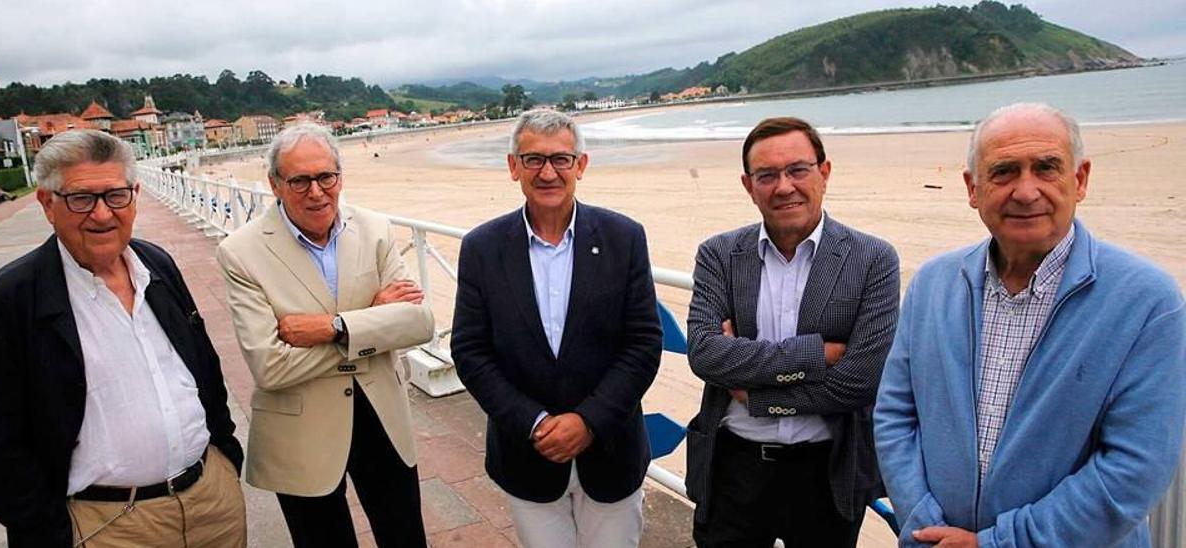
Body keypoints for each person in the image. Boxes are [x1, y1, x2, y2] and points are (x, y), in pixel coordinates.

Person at [874, 103, 1186, 547]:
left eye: (1046, 168)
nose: (1026, 191)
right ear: (973, 188)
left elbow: (1135, 469)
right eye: (1004, 171)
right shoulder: (932, 285)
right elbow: (895, 416)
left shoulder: (1147, 301)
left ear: (1079, 180)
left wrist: (997, 544)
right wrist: (923, 523)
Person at [0, 129, 246, 547]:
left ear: (134, 194)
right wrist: (47, 526)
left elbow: (203, 366)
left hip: (210, 503)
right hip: (104, 525)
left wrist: (225, 456)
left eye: (115, 195)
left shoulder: (157, 266)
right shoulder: (12, 300)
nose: (101, 214)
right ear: (47, 203)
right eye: (81, 198)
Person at [684, 116, 901, 547]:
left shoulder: (873, 259)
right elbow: (705, 354)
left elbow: (859, 382)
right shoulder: (719, 255)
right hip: (733, 468)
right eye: (767, 175)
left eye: (797, 170)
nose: (784, 186)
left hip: (827, 471)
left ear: (824, 172)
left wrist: (756, 395)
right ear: (749, 186)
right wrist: (818, 354)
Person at [451, 109, 662, 548]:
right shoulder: (482, 248)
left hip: (611, 452)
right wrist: (534, 423)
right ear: (513, 167)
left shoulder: (625, 238)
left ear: (581, 165)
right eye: (533, 159)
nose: (548, 172)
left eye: (561, 159)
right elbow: (470, 351)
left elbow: (642, 345)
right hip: (527, 454)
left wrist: (588, 421)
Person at [216, 123, 434, 547]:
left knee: (405, 536)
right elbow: (271, 366)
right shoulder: (241, 252)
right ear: (275, 184)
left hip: (380, 414)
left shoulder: (374, 229)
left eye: (325, 177)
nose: (316, 192)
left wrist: (333, 327)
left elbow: (419, 323)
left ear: (340, 177)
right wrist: (372, 320)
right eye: (299, 180)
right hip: (301, 429)